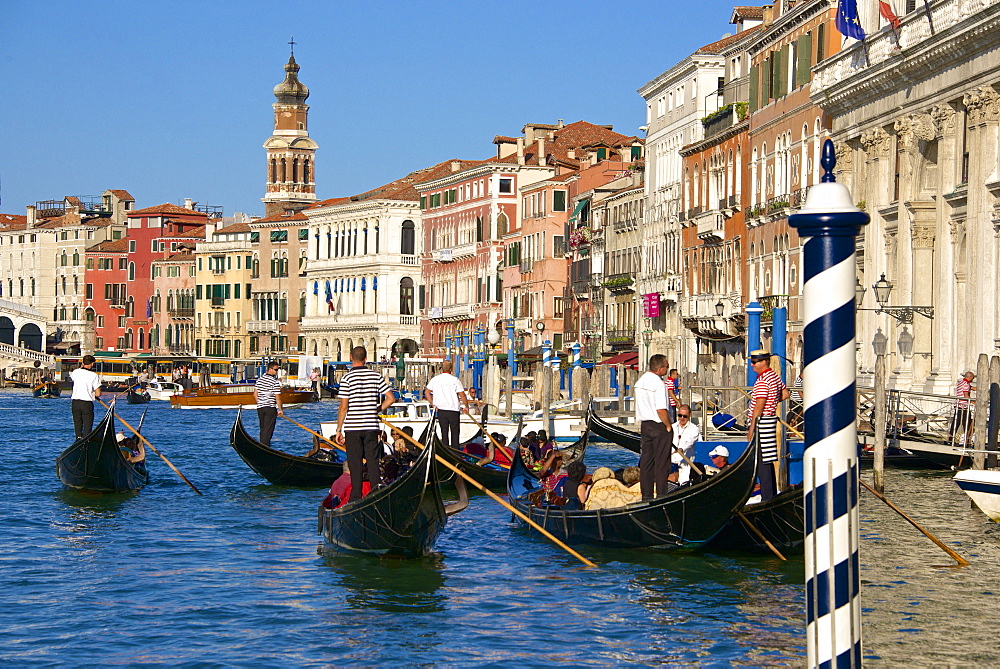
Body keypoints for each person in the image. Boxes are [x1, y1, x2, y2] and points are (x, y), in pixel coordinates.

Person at [335, 346, 396, 502]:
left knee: (355, 463)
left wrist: (338, 429)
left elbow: (343, 407)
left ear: (350, 357)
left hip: (353, 427)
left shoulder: (347, 378)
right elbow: (391, 398)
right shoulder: (375, 376)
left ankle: (355, 497)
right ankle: (375, 493)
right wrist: (377, 409)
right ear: (365, 359)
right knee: (372, 460)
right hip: (371, 426)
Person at [747, 350, 789, 502]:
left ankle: (767, 497)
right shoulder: (774, 377)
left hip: (761, 422)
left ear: (763, 362)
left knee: (761, 460)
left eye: (754, 362)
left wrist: (751, 428)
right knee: (768, 458)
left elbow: (759, 405)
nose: (752, 365)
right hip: (769, 421)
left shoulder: (763, 380)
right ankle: (770, 494)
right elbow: (785, 394)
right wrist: (772, 403)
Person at [635, 353, 673, 500]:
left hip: (645, 426)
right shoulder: (659, 384)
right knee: (662, 463)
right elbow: (661, 410)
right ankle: (662, 495)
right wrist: (668, 426)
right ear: (660, 368)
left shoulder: (640, 381)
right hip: (658, 426)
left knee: (646, 462)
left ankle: (647, 495)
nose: (668, 369)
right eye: (667, 367)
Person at [424, 360, 470, 451]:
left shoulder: (435, 379)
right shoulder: (455, 380)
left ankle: (445, 451)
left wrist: (433, 404)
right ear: (451, 369)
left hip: (441, 410)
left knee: (444, 433)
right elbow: (462, 395)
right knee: (455, 433)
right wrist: (466, 406)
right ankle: (455, 452)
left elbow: (427, 392)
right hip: (453, 411)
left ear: (441, 369)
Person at [70, 354, 102, 439]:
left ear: (83, 363)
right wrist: (93, 393)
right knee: (87, 428)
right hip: (86, 403)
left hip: (75, 403)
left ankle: (78, 440)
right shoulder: (94, 375)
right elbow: (98, 393)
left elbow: (76, 378)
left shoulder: (75, 372)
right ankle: (85, 443)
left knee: (78, 427)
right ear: (92, 364)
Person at [254, 361, 284, 446]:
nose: (277, 372)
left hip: (260, 408)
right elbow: (277, 398)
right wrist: (280, 410)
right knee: (268, 430)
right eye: (276, 370)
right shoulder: (274, 382)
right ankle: (265, 446)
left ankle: (262, 445)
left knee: (263, 429)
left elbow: (255, 394)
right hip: (270, 408)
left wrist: (260, 402)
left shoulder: (259, 380)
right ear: (270, 369)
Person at [671, 403, 701, 484]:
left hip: (685, 466)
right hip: (671, 465)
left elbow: (689, 442)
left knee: (683, 486)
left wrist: (681, 449)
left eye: (685, 416)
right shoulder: (672, 427)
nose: (682, 418)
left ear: (690, 415)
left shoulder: (694, 429)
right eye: (680, 415)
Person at [952, 371, 976, 444]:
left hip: (958, 405)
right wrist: (973, 402)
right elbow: (966, 395)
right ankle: (967, 439)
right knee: (967, 423)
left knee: (956, 422)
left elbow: (969, 388)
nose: (973, 378)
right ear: (970, 377)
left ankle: (951, 438)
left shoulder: (961, 382)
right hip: (963, 406)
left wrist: (977, 389)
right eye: (973, 377)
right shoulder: (966, 384)